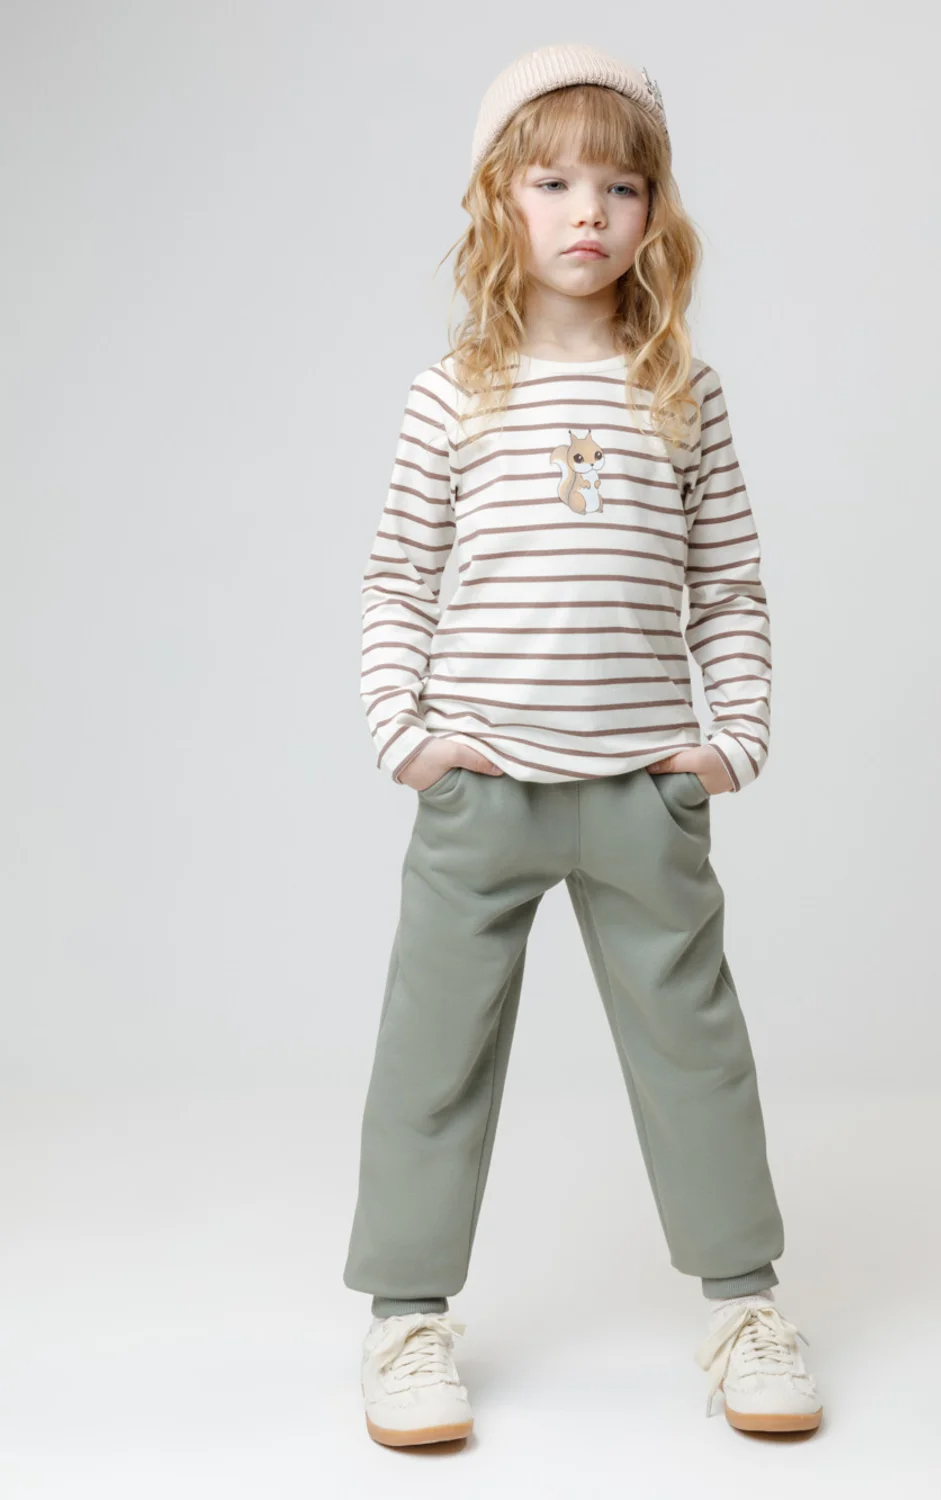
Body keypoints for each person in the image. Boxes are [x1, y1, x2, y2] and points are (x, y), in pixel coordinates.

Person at [342, 41, 823, 1448]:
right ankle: (405, 1322)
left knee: (697, 1052)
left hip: (640, 792)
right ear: (499, 199)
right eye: (551, 182)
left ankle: (746, 1308)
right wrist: (406, 737)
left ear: (654, 210)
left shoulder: (683, 391)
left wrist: (732, 742)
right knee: (432, 1057)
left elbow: (729, 586)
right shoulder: (454, 393)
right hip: (482, 792)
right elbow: (397, 578)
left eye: (620, 185)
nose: (588, 213)